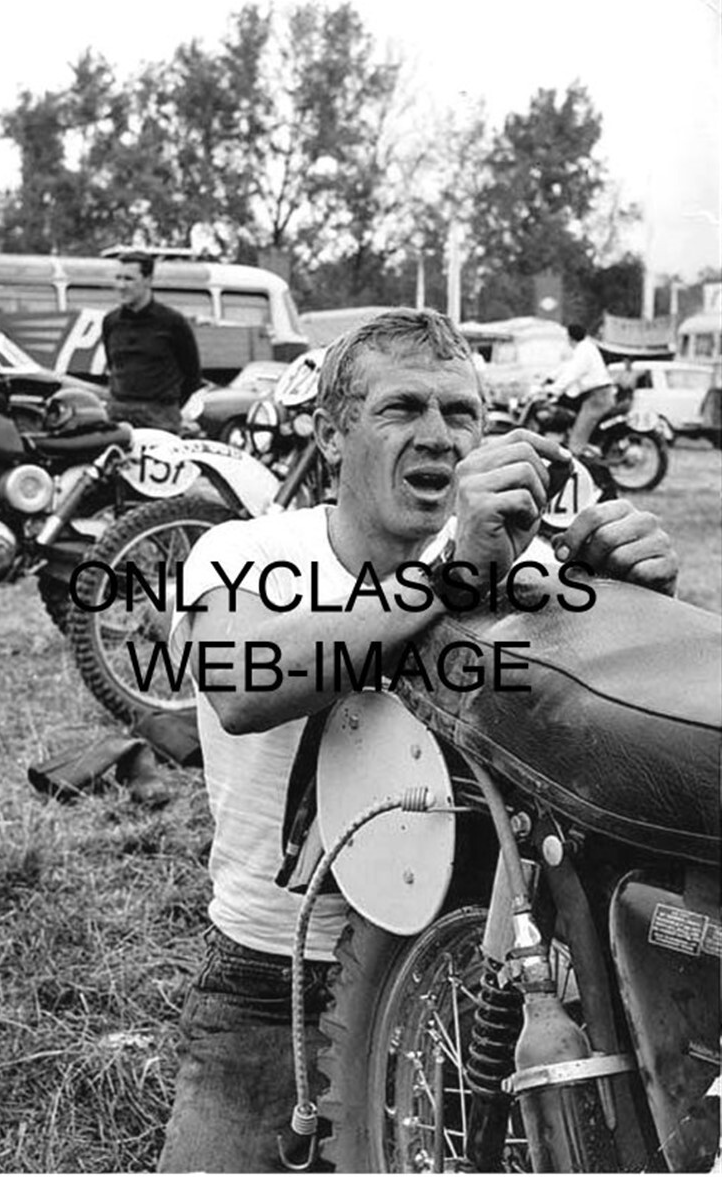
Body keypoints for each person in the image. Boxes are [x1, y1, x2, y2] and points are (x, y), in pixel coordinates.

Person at [158, 308, 678, 1173]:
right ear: (330, 435)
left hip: (464, 981)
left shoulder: (519, 566)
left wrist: (638, 604)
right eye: (401, 408)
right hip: (273, 978)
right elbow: (241, 685)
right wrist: (451, 577)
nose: (438, 434)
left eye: (461, 412)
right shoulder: (247, 549)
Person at [101, 251, 202, 433]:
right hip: (118, 416)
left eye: (129, 279)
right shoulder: (110, 322)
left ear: (148, 280)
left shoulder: (173, 322)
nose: (121, 286)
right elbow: (112, 366)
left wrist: (169, 409)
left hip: (160, 419)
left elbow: (192, 375)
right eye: (118, 278)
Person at [546, 322, 616, 452]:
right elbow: (567, 367)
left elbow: (574, 373)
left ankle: (575, 460)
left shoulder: (584, 350)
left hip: (598, 397)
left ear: (570, 338)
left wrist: (555, 389)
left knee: (576, 440)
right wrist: (550, 377)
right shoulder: (586, 348)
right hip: (598, 395)